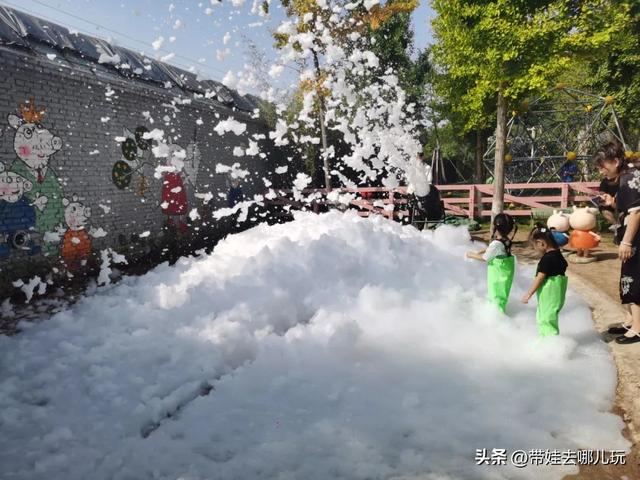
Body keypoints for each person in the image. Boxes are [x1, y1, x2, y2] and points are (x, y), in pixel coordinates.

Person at [594, 141, 640, 344]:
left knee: (633, 279)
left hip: (636, 236)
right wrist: (613, 203)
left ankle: (638, 329)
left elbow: (637, 212)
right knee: (628, 278)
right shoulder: (629, 174)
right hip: (633, 233)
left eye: (603, 166)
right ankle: (632, 321)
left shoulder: (629, 178)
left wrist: (627, 242)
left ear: (616, 161)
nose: (601, 170)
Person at [521, 225, 568, 337]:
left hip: (549, 293)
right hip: (557, 294)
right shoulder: (558, 254)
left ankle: (550, 346)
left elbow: (540, 278)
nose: (535, 249)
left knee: (546, 319)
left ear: (541, 243)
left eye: (535, 246)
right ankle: (546, 341)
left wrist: (529, 294)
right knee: (549, 317)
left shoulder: (547, 259)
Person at [466, 213, 517, 313]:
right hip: (505, 273)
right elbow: (498, 249)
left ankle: (497, 319)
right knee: (502, 295)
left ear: (495, 227)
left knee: (496, 296)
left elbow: (485, 258)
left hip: (498, 275)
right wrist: (482, 250)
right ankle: (500, 315)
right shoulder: (506, 240)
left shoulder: (496, 243)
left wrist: (470, 254)